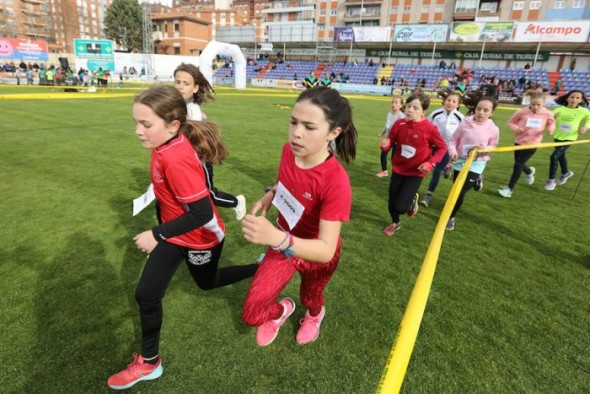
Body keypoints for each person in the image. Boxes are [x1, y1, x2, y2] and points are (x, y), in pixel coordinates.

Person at [107, 85, 258, 390]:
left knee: (207, 282)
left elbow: (202, 213)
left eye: (146, 124)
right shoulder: (163, 145)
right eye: (136, 122)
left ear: (173, 125)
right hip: (176, 234)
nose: (138, 131)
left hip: (201, 236)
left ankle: (260, 268)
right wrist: (163, 230)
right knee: (146, 294)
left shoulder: (175, 159)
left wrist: (157, 234)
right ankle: (150, 362)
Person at [241, 87, 358, 346]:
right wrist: (270, 195)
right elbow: (286, 183)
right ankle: (282, 311)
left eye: (309, 126)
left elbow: (326, 250)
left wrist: (275, 237)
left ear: (333, 132)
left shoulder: (336, 181)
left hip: (313, 253)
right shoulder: (288, 151)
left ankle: (314, 314)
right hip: (282, 242)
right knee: (252, 314)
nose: (296, 132)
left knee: (311, 297)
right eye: (293, 122)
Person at [173, 63, 246, 219]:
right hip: (186, 160)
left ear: (195, 88)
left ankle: (236, 202)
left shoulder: (193, 110)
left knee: (208, 194)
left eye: (186, 83)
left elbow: (190, 139)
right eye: (177, 82)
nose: (180, 87)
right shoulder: (179, 106)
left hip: (201, 159)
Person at [381, 93, 447, 236]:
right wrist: (386, 145)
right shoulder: (399, 124)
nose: (410, 110)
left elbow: (442, 147)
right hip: (399, 168)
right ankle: (395, 222)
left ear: (423, 112)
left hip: (416, 172)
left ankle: (411, 201)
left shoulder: (429, 128)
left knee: (401, 206)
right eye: (409, 106)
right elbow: (390, 141)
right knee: (392, 202)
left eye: (415, 108)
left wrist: (430, 163)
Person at [445, 94, 500, 230]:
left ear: (492, 112)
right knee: (455, 189)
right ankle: (477, 180)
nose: (481, 112)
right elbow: (453, 140)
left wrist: (485, 149)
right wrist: (453, 152)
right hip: (460, 161)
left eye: (485, 110)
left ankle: (450, 217)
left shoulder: (493, 129)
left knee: (460, 191)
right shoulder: (465, 123)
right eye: (479, 109)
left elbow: (494, 146)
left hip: (477, 163)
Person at [497, 91, 555, 198]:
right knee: (519, 163)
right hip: (519, 141)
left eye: (538, 105)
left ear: (544, 103)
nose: (535, 107)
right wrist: (517, 128)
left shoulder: (547, 113)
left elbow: (552, 122)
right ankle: (529, 172)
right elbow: (510, 122)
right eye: (533, 104)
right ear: (530, 102)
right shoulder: (522, 112)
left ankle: (509, 189)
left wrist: (551, 129)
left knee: (517, 165)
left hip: (533, 143)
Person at [420, 91, 465, 207]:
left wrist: (456, 150)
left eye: (454, 101)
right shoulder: (436, 113)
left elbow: (463, 134)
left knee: (436, 170)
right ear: (445, 101)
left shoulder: (460, 118)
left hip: (447, 148)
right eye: (449, 100)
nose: (450, 103)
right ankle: (447, 168)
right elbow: (426, 125)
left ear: (458, 104)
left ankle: (428, 195)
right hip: (434, 146)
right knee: (431, 165)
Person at [544, 90, 590, 190]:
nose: (574, 99)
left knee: (554, 156)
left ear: (581, 100)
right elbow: (548, 119)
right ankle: (566, 173)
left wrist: (585, 127)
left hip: (570, 138)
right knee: (561, 156)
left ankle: (551, 181)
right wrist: (553, 119)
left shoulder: (583, 111)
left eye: (578, 98)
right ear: (567, 98)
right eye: (572, 97)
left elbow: (589, 118)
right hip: (558, 136)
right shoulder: (559, 109)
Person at [376, 95, 405, 178]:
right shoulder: (389, 114)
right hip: (389, 139)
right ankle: (384, 171)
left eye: (396, 102)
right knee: (383, 154)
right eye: (392, 102)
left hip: (397, 141)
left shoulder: (402, 116)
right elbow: (387, 126)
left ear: (401, 105)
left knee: (394, 158)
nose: (393, 104)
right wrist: (382, 132)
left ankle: (398, 173)